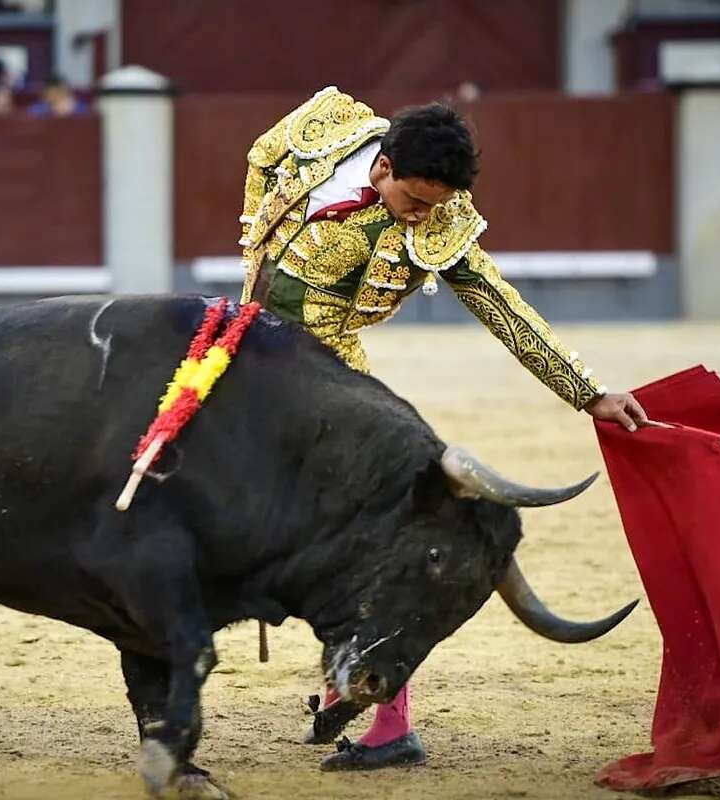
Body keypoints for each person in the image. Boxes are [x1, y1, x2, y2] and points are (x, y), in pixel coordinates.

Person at [238, 86, 649, 771]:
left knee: (366, 537)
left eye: (438, 205)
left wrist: (588, 394)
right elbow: (261, 157)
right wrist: (253, 250)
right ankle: (340, 681)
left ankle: (387, 719)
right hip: (247, 346)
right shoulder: (324, 127)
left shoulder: (444, 223)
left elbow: (502, 308)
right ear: (382, 167)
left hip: (330, 377)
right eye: (416, 201)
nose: (428, 215)